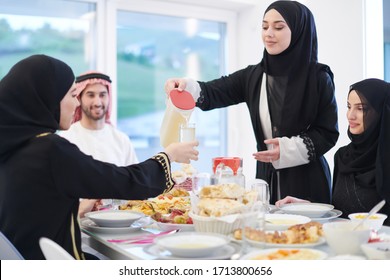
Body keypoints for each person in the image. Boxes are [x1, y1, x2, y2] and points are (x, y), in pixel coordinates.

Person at [0, 54, 199, 260]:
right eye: (71, 95)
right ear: (47, 97)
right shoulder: (49, 150)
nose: (76, 104)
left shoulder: (12, 146)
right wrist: (169, 155)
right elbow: (123, 181)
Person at [164, 1, 338, 204]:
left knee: (303, 234)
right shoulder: (254, 76)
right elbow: (213, 91)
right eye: (264, 27)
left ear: (299, 31)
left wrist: (287, 149)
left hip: (307, 183)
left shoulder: (318, 77)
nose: (269, 33)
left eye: (279, 27)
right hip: (266, 180)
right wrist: (184, 85)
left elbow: (328, 132)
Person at [276, 79, 390, 225]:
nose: (350, 115)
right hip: (341, 243)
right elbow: (339, 211)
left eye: (360, 108)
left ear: (381, 112)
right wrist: (306, 206)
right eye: (349, 107)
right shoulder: (343, 156)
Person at [59, 71, 139, 217]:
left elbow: (135, 187)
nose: (97, 102)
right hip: (78, 226)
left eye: (102, 95)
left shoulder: (121, 139)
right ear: (79, 98)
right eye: (90, 95)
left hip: (120, 224)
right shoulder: (65, 139)